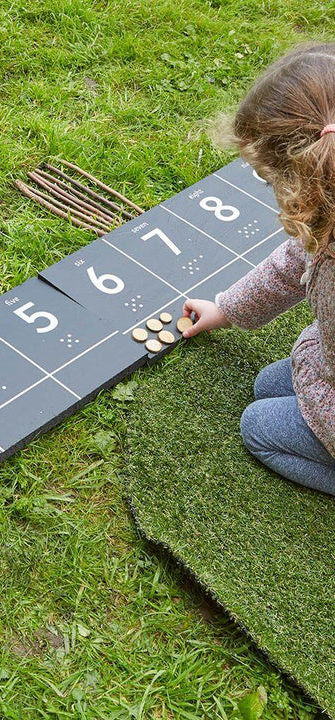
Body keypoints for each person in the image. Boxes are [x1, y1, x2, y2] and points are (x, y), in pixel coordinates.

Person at [182, 43, 335, 494]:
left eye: (268, 179)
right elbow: (293, 264)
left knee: (260, 428)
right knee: (270, 383)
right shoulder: (326, 216)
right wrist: (226, 309)